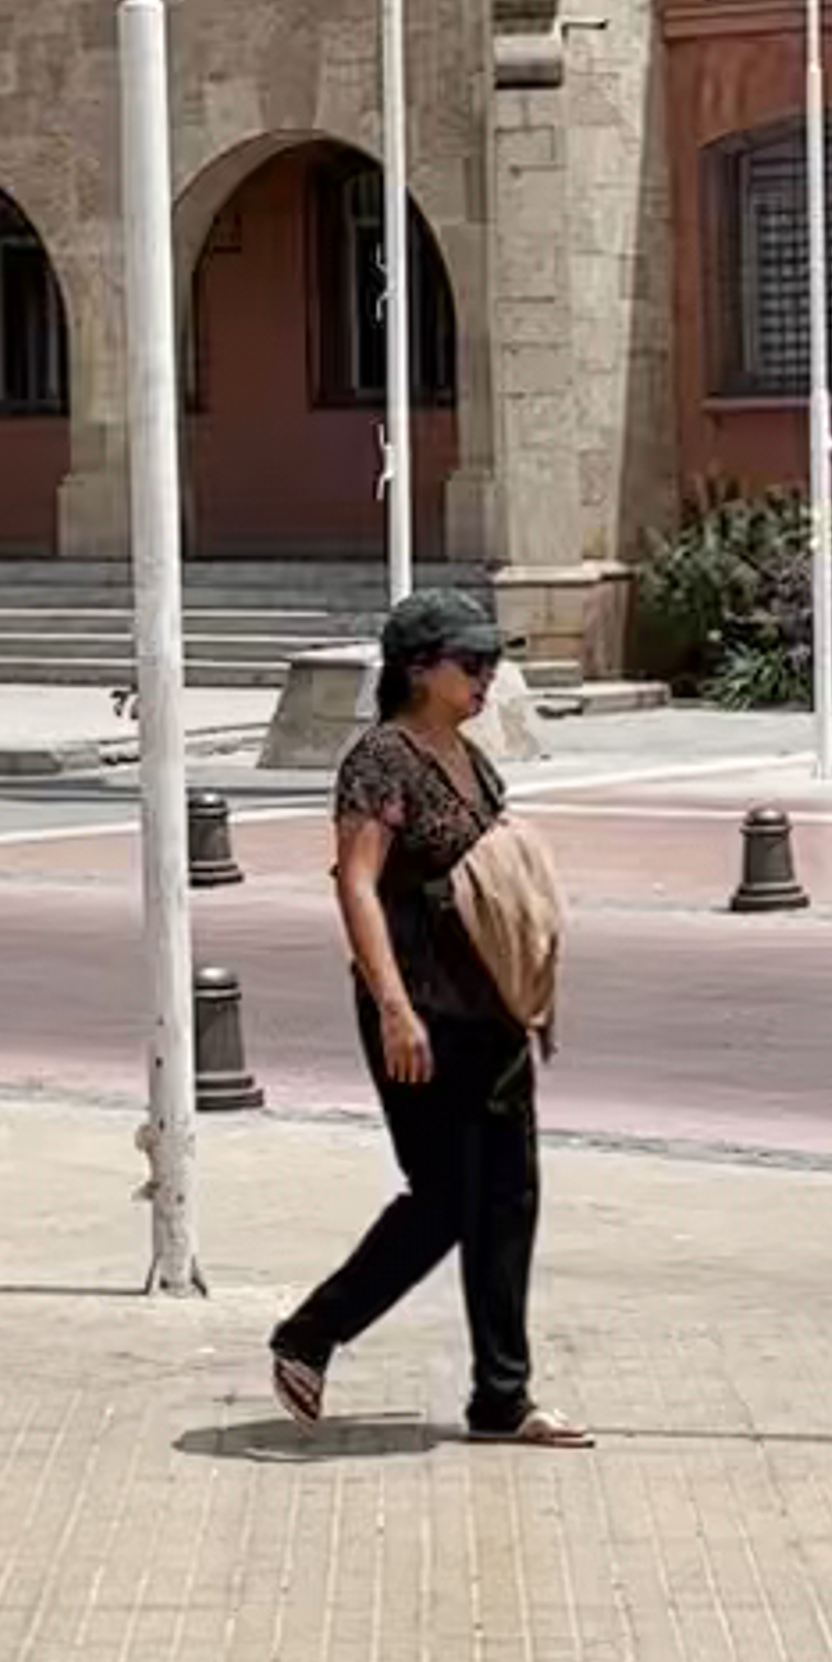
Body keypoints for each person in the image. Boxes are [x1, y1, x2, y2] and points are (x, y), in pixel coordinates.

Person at [268, 584, 591, 1446]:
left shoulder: (470, 754)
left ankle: (501, 1398)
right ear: (420, 668)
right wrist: (393, 1007)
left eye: (492, 662)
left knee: (509, 1198)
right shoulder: (382, 757)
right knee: (447, 1197)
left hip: (491, 1004)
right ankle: (311, 1333)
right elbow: (357, 883)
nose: (487, 677)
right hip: (421, 1006)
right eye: (471, 663)